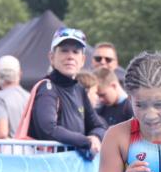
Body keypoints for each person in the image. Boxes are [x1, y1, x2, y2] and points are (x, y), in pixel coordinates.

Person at [27, 27, 106, 159]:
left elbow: (99, 126)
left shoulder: (79, 89)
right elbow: (48, 129)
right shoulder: (47, 88)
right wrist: (86, 142)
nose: (70, 56)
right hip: (49, 165)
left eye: (75, 51)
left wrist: (95, 137)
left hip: (72, 166)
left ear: (82, 60)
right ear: (52, 57)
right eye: (64, 50)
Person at [0, 55, 30, 141]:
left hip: (10, 148)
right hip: (31, 148)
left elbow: (1, 133)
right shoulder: (29, 97)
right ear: (19, 74)